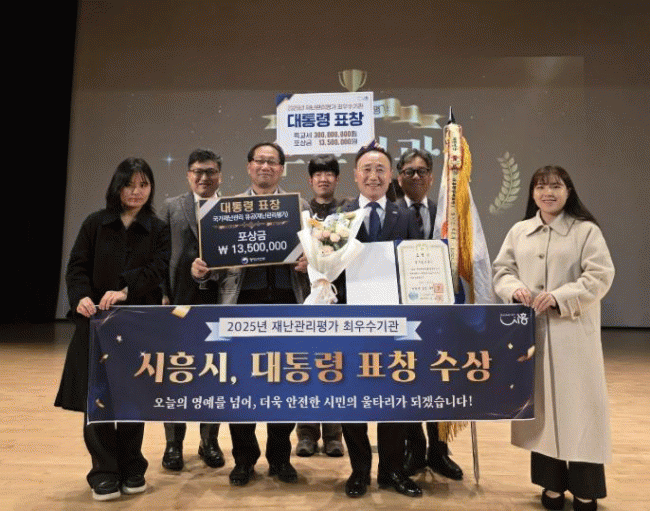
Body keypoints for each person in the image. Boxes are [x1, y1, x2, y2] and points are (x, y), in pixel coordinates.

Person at [492, 165, 614, 511]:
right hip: (533, 336)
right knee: (542, 412)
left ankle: (587, 488)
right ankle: (551, 485)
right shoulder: (519, 231)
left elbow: (600, 275)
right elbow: (503, 270)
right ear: (532, 194)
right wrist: (514, 289)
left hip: (573, 336)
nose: (548, 193)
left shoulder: (585, 231)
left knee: (581, 411)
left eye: (556, 186)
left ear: (568, 191)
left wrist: (560, 297)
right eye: (541, 187)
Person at [191, 142, 309, 486]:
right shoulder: (225, 210)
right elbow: (215, 265)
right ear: (248, 166)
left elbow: (319, 259)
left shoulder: (299, 207)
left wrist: (311, 262)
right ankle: (243, 459)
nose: (266, 167)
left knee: (285, 386)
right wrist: (201, 272)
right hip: (239, 309)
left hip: (288, 307)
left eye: (273, 162)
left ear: (282, 169)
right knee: (239, 386)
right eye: (260, 160)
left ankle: (280, 456)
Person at [55, 158, 170, 501]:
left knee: (133, 397)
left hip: (136, 324)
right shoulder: (95, 223)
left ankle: (133, 467)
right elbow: (76, 267)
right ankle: (103, 471)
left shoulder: (158, 227)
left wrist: (124, 291)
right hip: (97, 325)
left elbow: (159, 269)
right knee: (98, 398)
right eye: (129, 185)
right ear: (117, 187)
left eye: (143, 185)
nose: (136, 192)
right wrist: (81, 297)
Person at [339, 144, 423, 498]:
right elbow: (329, 267)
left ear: (392, 176)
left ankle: (392, 470)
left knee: (394, 397)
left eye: (380, 169)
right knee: (352, 399)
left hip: (394, 323)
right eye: (367, 169)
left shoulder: (405, 215)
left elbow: (417, 263)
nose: (373, 176)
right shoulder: (340, 216)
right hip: (350, 323)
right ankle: (359, 470)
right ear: (356, 175)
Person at [395, 149, 463, 481]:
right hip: (401, 314)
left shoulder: (447, 216)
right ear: (399, 178)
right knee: (407, 379)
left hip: (439, 316)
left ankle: (439, 450)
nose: (416, 177)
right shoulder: (390, 213)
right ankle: (415, 447)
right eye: (409, 171)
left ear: (432, 177)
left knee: (439, 378)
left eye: (422, 171)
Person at [158, 149, 225, 471]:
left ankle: (209, 441)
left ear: (219, 176)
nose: (204, 177)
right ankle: (173, 444)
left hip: (220, 303)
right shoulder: (171, 207)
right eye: (197, 171)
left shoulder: (230, 210)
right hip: (178, 302)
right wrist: (162, 293)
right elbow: (158, 256)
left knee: (216, 374)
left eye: (210, 171)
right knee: (176, 373)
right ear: (188, 175)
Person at [295, 154, 346, 458]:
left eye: (329, 174)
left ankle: (334, 435)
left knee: (335, 366)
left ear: (337, 179)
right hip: (304, 298)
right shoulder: (299, 212)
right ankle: (305, 433)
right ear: (310, 180)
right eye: (318, 174)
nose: (323, 179)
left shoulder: (347, 212)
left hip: (337, 302)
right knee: (305, 367)